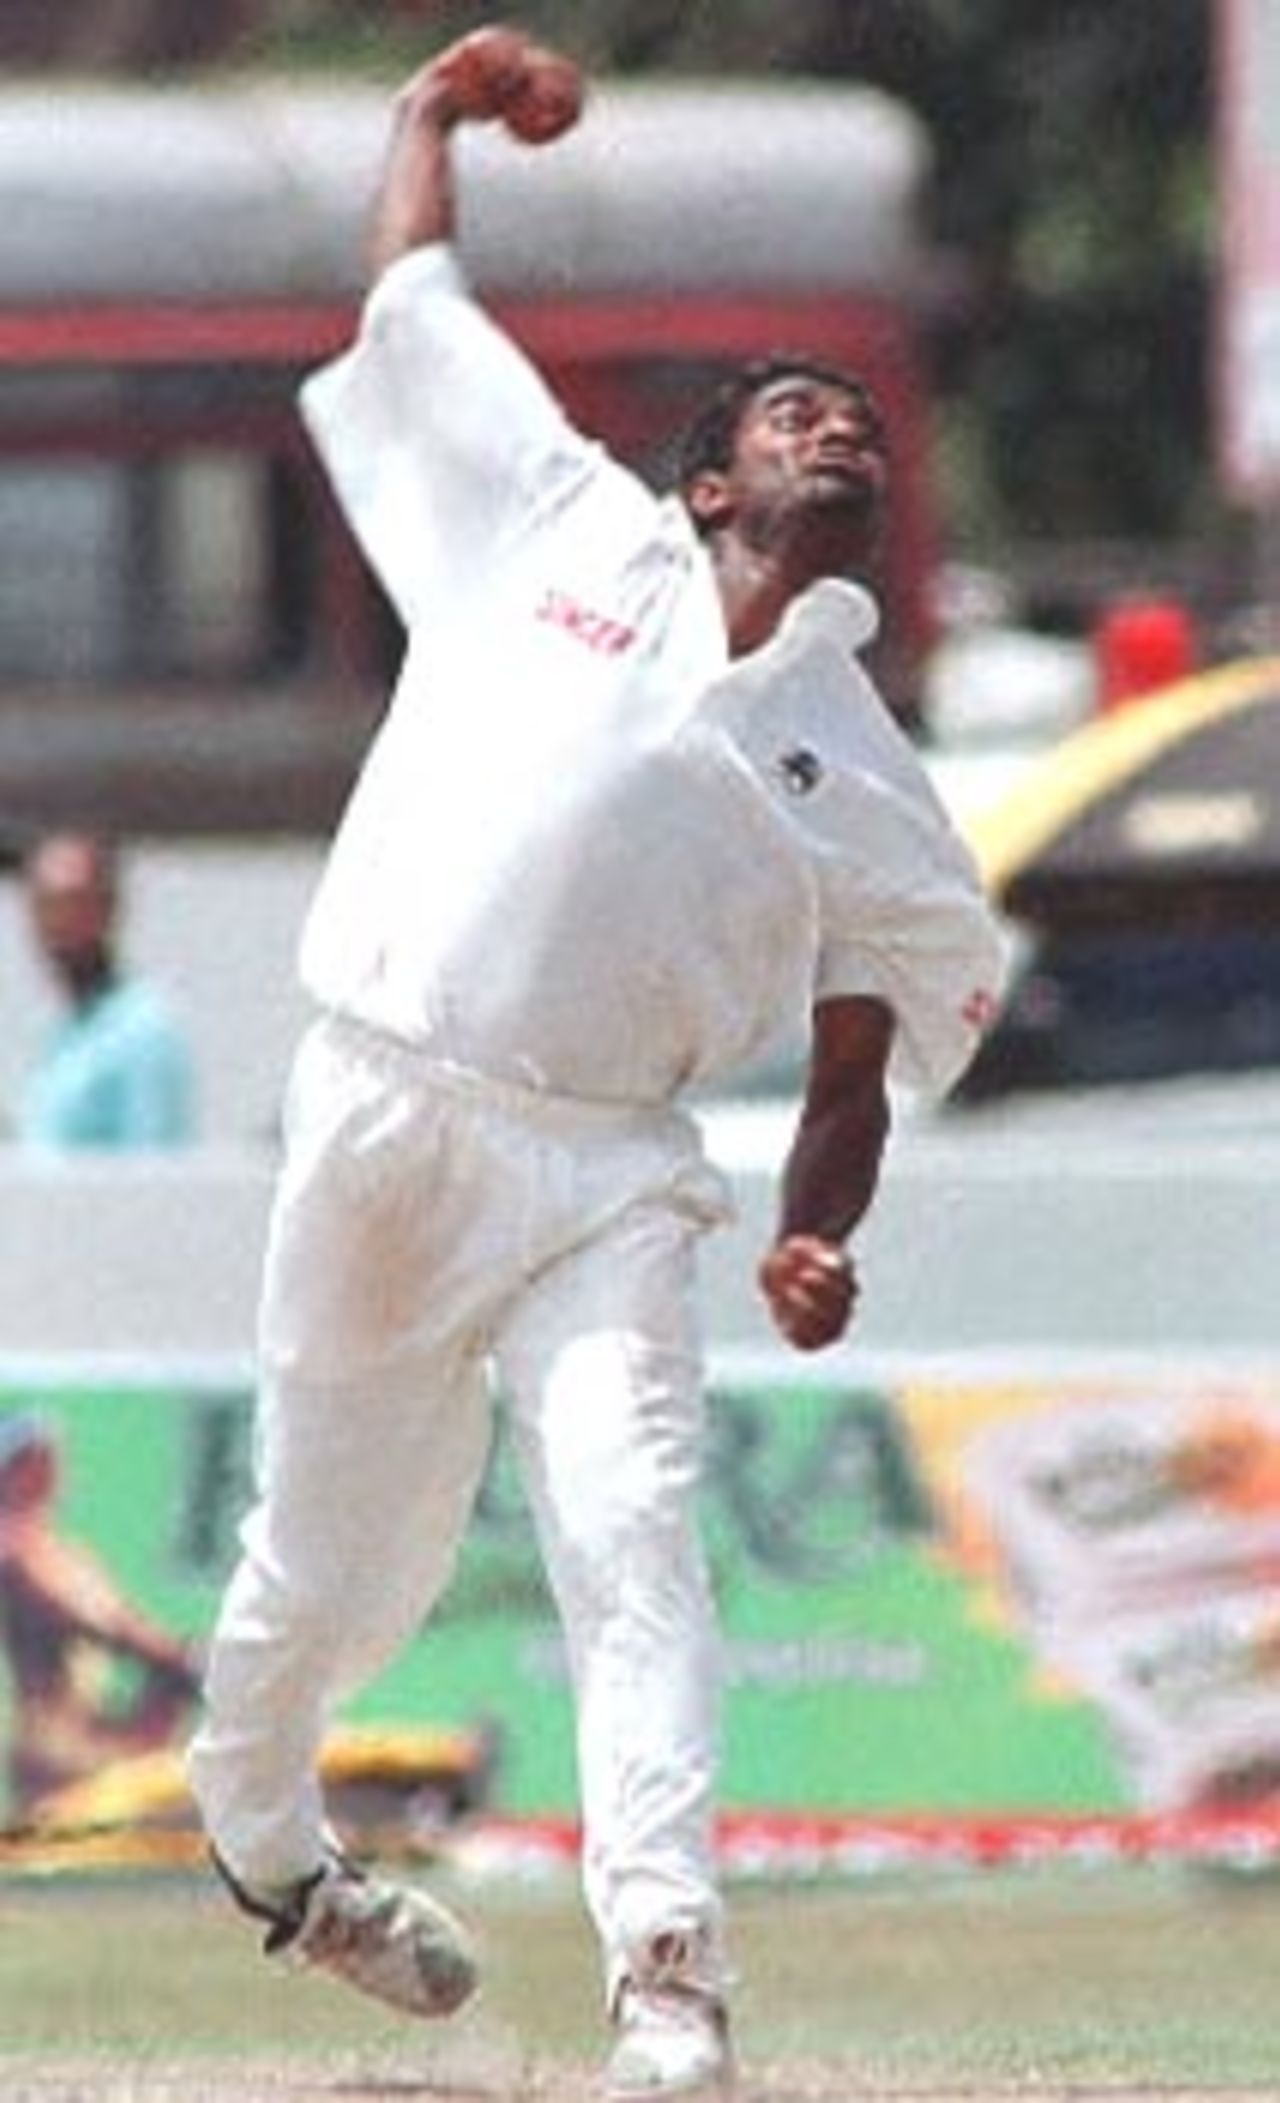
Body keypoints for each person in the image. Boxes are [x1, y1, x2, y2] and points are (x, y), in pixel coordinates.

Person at [187, 25, 1006, 2100]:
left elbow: (859, 1052)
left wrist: (822, 1230)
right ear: (709, 479)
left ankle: (667, 1977)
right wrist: (422, 122)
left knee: (632, 1524)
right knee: (328, 1572)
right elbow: (411, 307)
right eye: (793, 413)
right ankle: (270, 1843)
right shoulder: (551, 521)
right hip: (383, 1110)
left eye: (862, 424)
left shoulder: (870, 783)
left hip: (605, 1179)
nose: (841, 431)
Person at [0, 1411, 201, 1821]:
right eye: (36, 1459)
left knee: (178, 1687)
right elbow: (102, 1625)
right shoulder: (14, 1550)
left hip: (95, 1731)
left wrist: (186, 1659)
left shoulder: (67, 1553)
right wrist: (181, 1658)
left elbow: (128, 1622)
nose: (52, 1470)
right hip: (55, 1747)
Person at [18, 830, 194, 1152]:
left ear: (110, 909)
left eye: (74, 905)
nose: (59, 926)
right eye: (45, 908)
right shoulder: (68, 1034)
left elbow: (154, 1176)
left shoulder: (143, 1032)